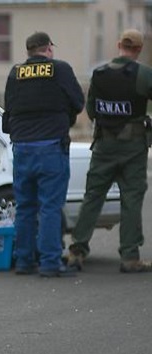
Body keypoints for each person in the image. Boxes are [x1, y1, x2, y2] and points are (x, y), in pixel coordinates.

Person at [66, 29, 152, 274]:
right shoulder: (144, 74)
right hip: (133, 148)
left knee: (93, 197)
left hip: (104, 145)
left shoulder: (99, 74)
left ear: (118, 45)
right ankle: (129, 256)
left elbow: (91, 110)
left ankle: (76, 252)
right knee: (131, 198)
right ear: (139, 49)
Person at [3, 32, 85, 277]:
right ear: (48, 48)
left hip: (22, 149)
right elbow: (78, 103)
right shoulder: (60, 70)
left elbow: (9, 109)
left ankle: (24, 261)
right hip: (51, 147)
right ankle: (50, 263)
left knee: (26, 207)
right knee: (50, 206)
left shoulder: (15, 73)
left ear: (29, 50)